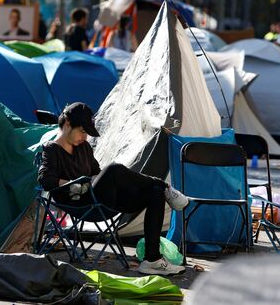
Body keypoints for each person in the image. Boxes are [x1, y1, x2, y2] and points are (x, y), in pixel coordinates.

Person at [38, 103, 188, 276]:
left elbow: (97, 173)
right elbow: (45, 179)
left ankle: (152, 260)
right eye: (82, 131)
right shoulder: (51, 149)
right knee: (114, 169)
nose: (84, 137)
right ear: (67, 124)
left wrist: (96, 180)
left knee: (154, 193)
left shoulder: (84, 148)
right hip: (79, 203)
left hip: (101, 200)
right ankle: (164, 185)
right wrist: (75, 184)